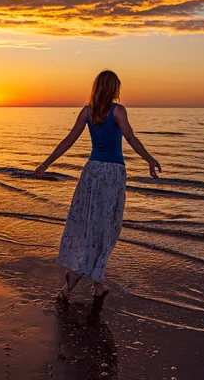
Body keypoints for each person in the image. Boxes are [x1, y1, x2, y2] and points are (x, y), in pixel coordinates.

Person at [35, 70, 161, 300]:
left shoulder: (87, 111)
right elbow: (131, 139)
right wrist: (150, 159)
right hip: (112, 173)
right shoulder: (118, 111)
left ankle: (97, 283)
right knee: (106, 228)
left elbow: (68, 140)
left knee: (92, 226)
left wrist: (45, 164)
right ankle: (76, 279)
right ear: (114, 88)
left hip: (92, 172)